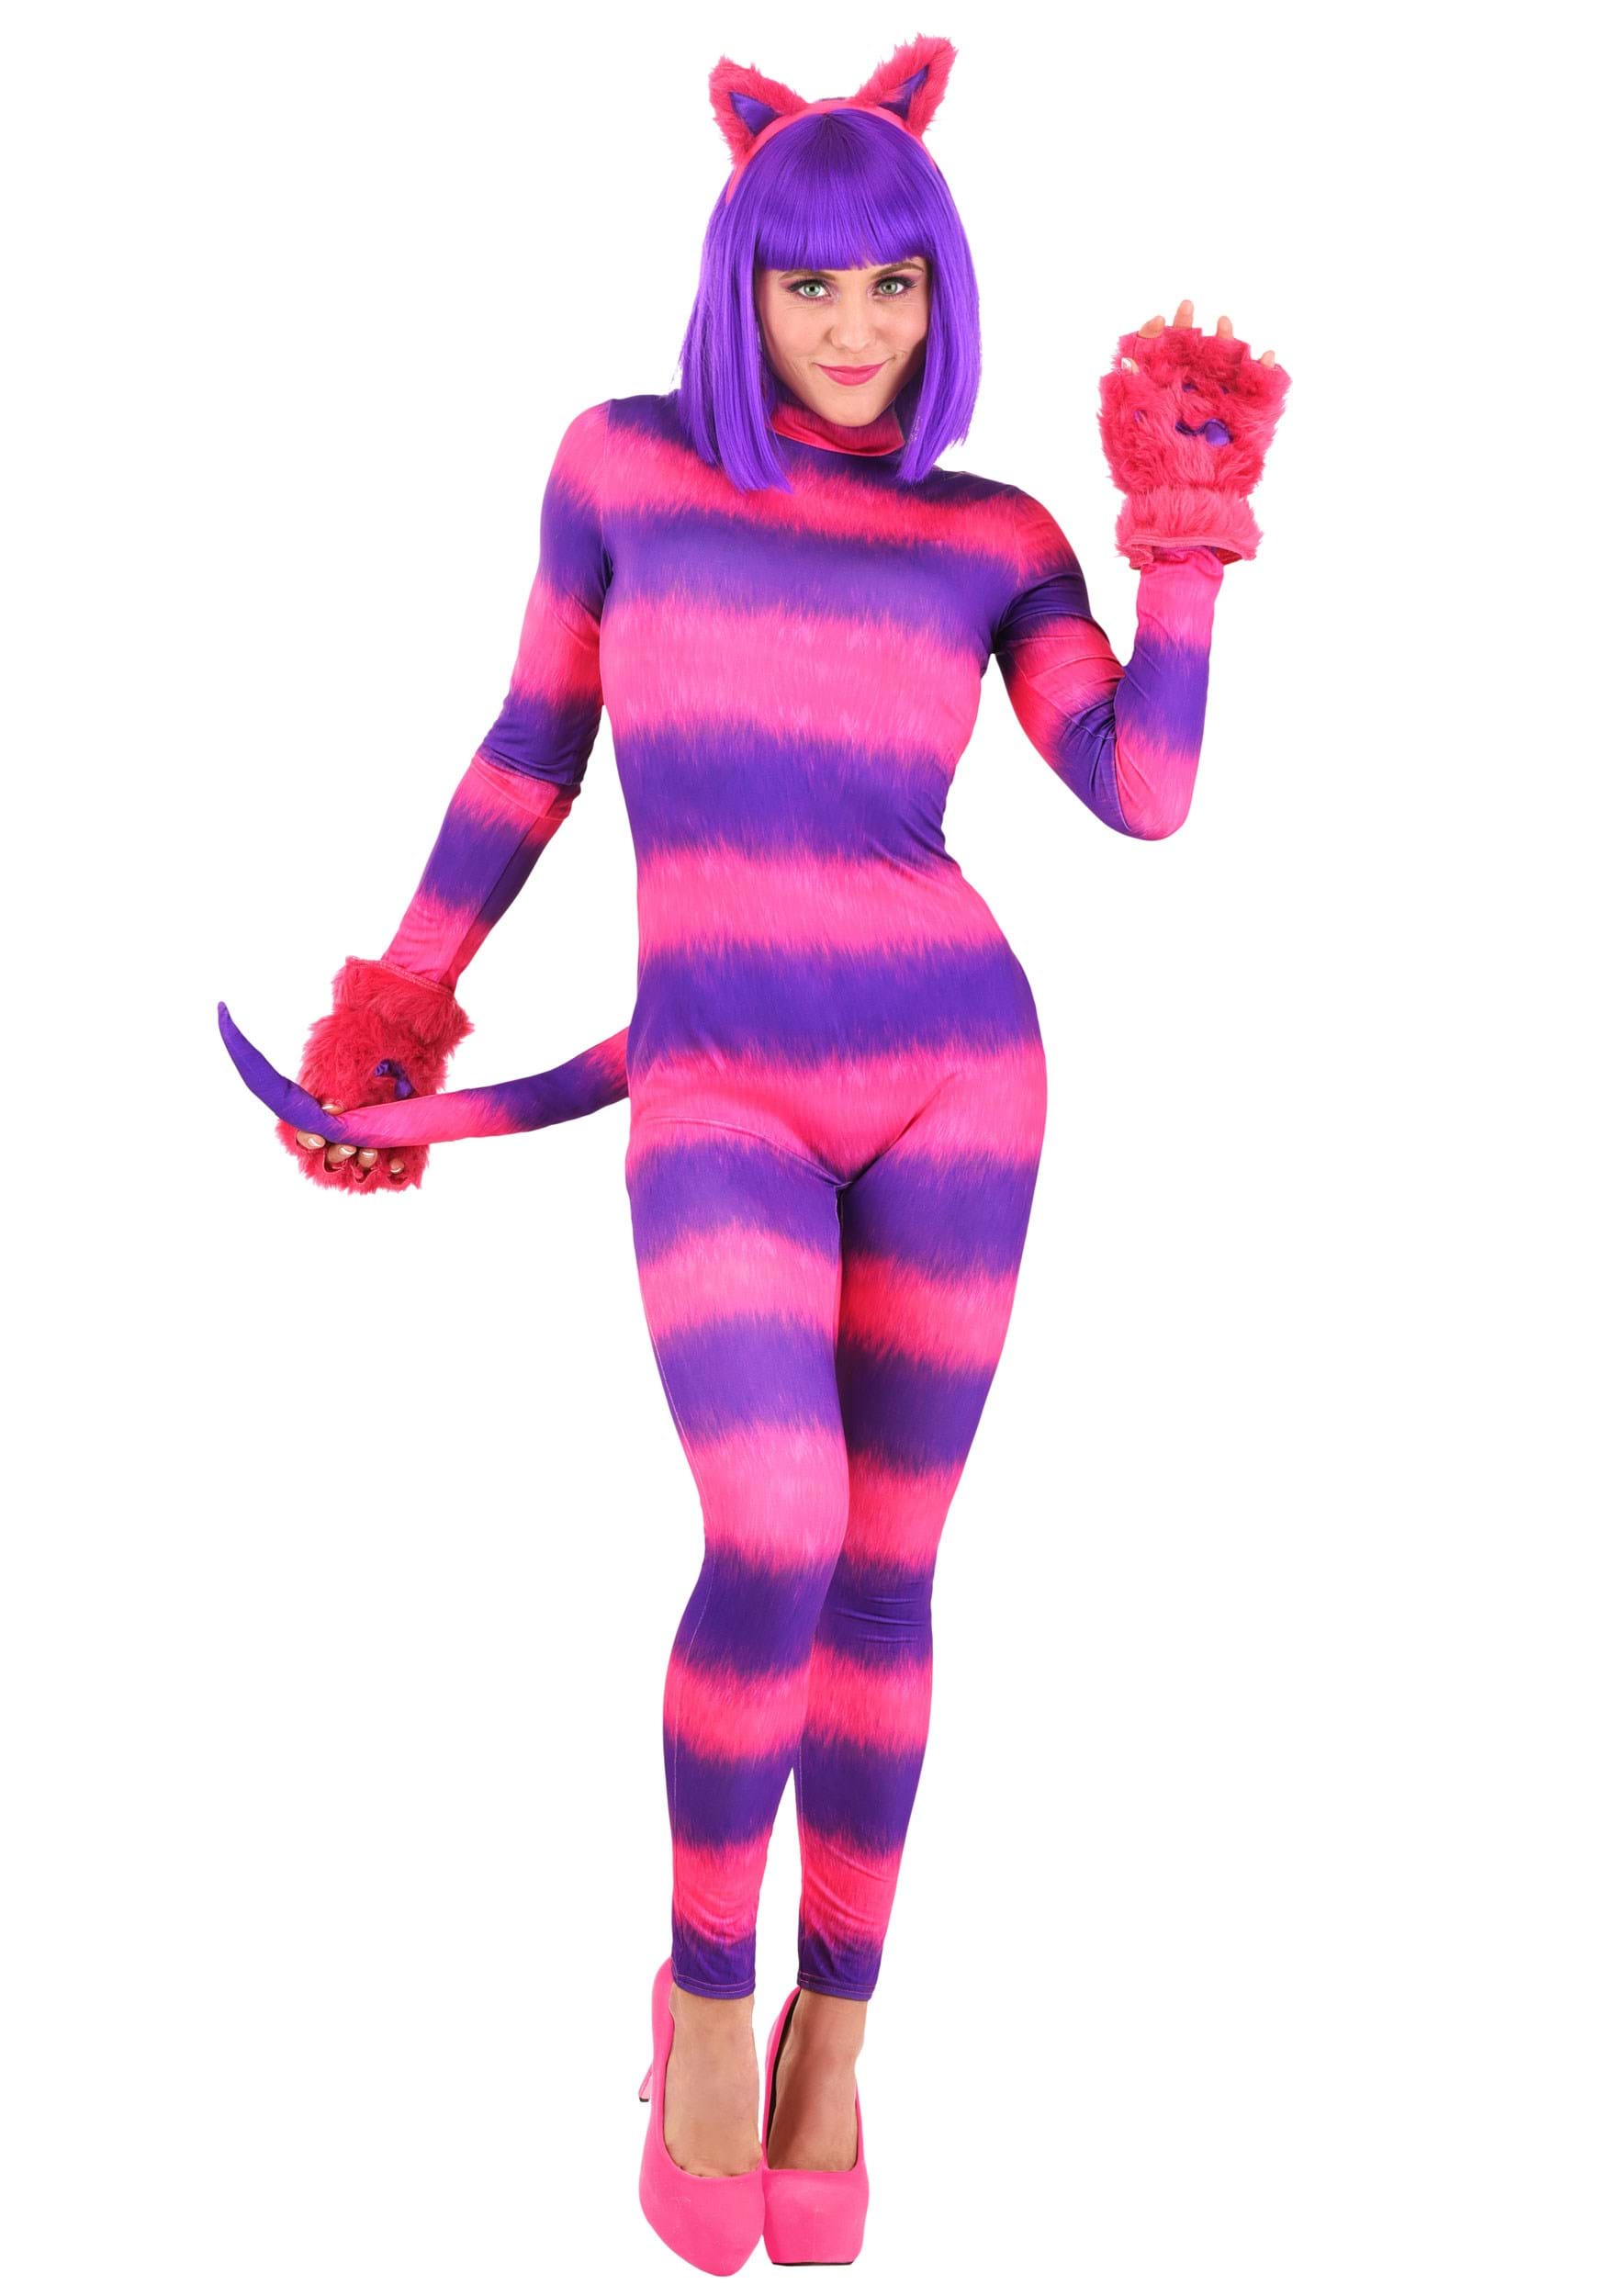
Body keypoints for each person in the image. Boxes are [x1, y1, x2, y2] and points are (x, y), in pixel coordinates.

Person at [224, 34, 1288, 2273]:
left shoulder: (990, 533)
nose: (853, 326)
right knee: (776, 1521)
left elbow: (1141, 790)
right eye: (810, 286)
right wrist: (402, 1001)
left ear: (939, 291)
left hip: (956, 1077)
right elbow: (527, 749)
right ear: (740, 282)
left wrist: (1180, 550)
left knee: (886, 1572)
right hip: (714, 1083)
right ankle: (703, 1993)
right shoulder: (620, 466)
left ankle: (837, 2030)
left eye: (893, 284)